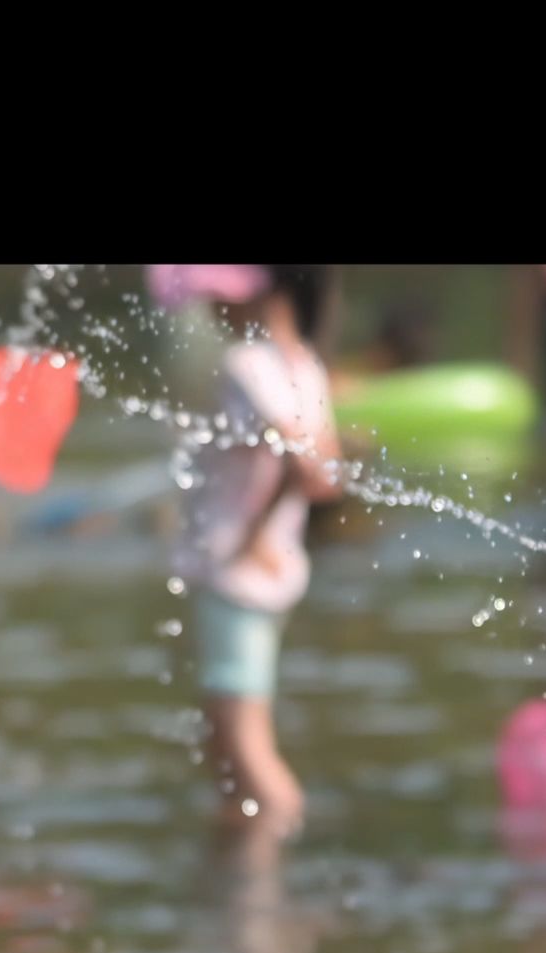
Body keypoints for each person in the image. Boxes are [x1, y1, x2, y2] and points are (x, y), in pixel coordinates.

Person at [157, 264, 340, 836]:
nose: (211, 308)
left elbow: (306, 464)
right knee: (225, 734)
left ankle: (269, 868)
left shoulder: (247, 366)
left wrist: (252, 535)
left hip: (237, 571)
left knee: (242, 741)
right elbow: (325, 471)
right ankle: (243, 856)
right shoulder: (303, 364)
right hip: (274, 569)